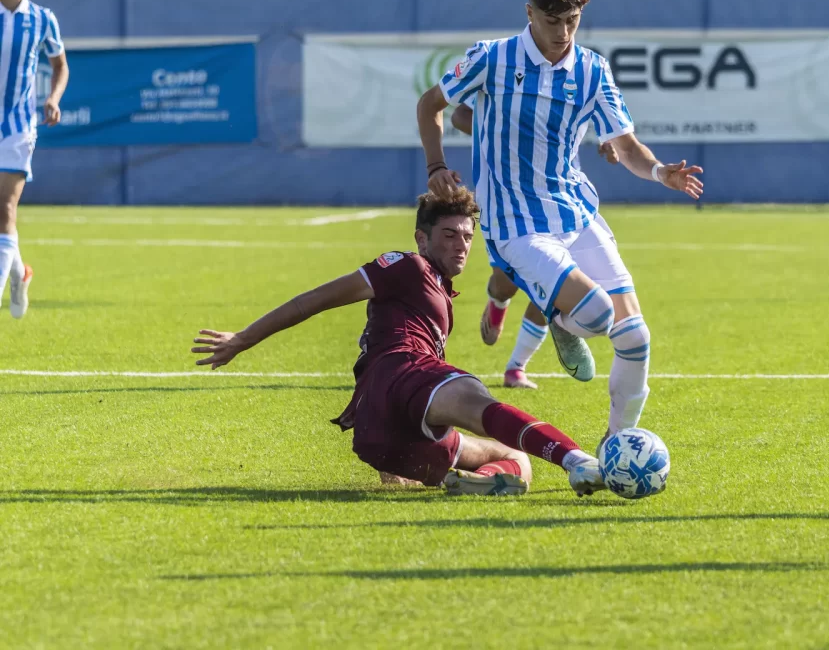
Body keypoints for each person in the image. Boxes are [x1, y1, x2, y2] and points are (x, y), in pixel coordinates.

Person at [416, 0, 702, 443]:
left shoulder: (592, 70)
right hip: (515, 223)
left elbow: (626, 145)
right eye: (553, 21)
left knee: (636, 337)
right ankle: (557, 317)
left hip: (575, 212)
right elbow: (431, 105)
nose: (563, 32)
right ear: (530, 13)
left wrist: (659, 172)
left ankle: (617, 446)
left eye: (572, 20)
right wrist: (435, 166)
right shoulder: (493, 58)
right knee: (596, 314)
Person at [191, 186, 608, 498]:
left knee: (515, 460)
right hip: (404, 374)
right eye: (449, 235)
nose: (461, 245)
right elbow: (315, 300)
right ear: (421, 239)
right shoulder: (407, 266)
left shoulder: (438, 289)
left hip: (382, 434)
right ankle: (577, 459)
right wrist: (244, 338)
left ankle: (472, 480)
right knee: (484, 406)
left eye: (467, 236)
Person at [448, 100, 618, 390]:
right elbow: (459, 115)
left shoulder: (576, 78)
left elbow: (604, 116)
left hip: (561, 202)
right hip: (509, 203)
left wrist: (609, 139)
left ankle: (516, 367)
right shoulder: (502, 74)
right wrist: (509, 136)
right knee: (506, 284)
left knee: (553, 285)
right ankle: (498, 299)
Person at [0, 0, 69, 319]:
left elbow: (60, 65)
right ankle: (20, 273)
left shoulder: (43, 19)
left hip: (19, 125)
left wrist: (53, 98)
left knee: (6, 209)